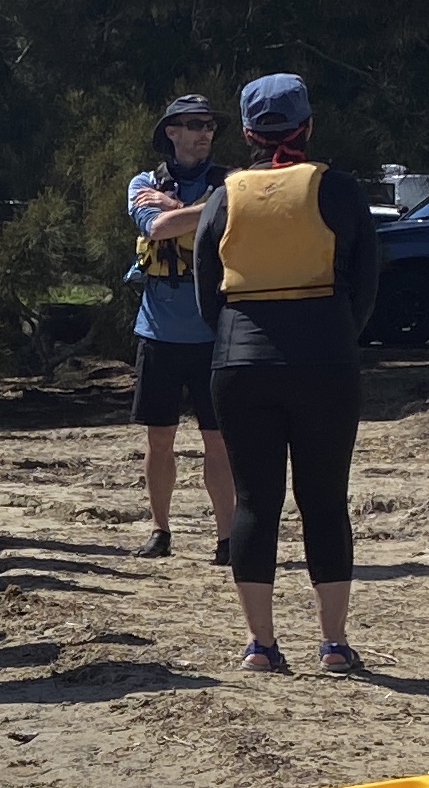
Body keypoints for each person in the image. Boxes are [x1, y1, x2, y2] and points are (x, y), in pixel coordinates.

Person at [191, 73, 386, 672]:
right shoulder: (340, 189)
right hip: (324, 355)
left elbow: (206, 290)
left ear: (247, 132)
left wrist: (237, 333)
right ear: (308, 126)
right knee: (324, 499)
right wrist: (334, 332)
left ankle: (261, 643)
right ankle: (332, 641)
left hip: (242, 358)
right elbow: (368, 278)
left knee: (255, 501)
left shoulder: (226, 194)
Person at [123, 94, 233, 559]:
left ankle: (228, 537)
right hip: (159, 331)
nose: (203, 132)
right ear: (171, 132)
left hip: (214, 332)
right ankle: (160, 529)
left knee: (220, 441)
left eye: (208, 124)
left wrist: (179, 210)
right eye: (192, 124)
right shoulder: (144, 183)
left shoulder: (230, 183)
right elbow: (156, 229)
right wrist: (202, 212)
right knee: (159, 437)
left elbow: (233, 226)